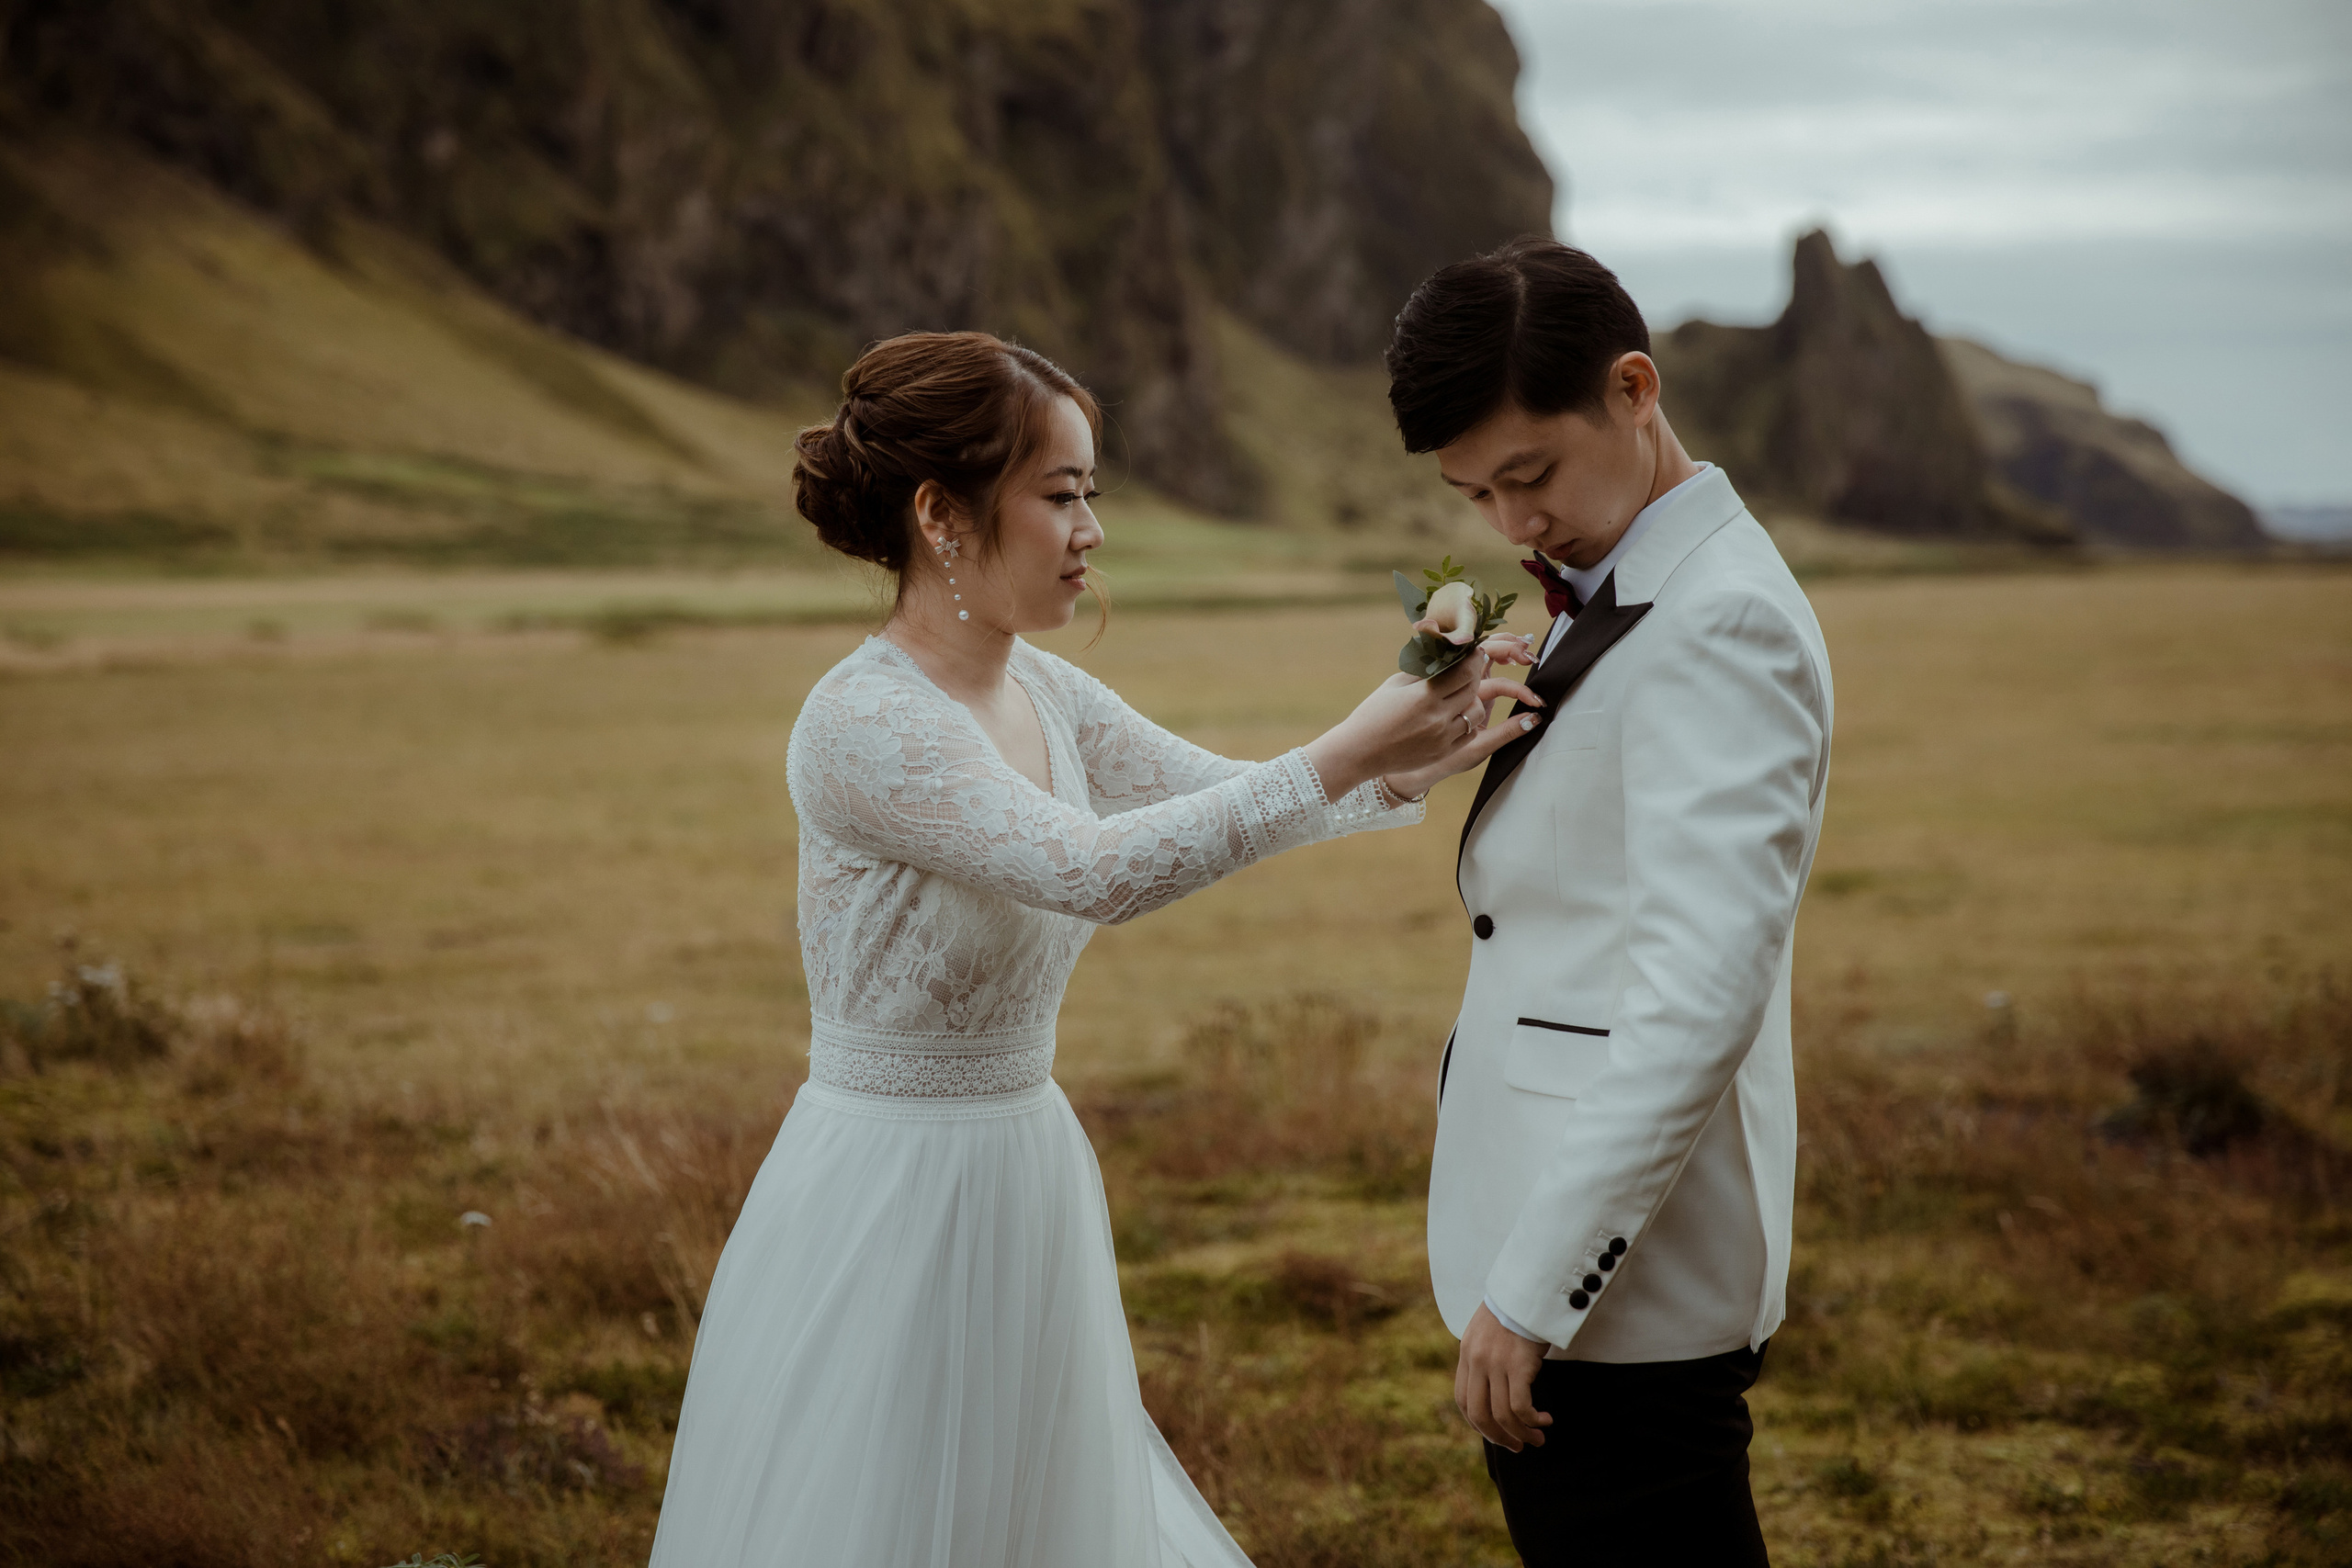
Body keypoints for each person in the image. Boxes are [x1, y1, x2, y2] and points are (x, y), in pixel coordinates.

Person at [648, 330, 1536, 1566]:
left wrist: (1428, 736)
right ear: (941, 516)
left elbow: (1227, 801)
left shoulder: (1045, 695)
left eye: (1093, 495)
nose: (1092, 530)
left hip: (1027, 1165)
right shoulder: (864, 722)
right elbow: (1095, 870)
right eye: (1061, 496)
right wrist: (1349, 744)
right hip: (888, 1188)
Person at [1388, 239, 1836, 1565]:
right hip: (1568, 1255)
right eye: (1476, 495)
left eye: (1529, 476)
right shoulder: (1631, 591)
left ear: (1634, 389)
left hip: (1621, 1294)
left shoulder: (1723, 624)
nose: (1513, 526)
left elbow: (1699, 997)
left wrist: (1531, 1295)